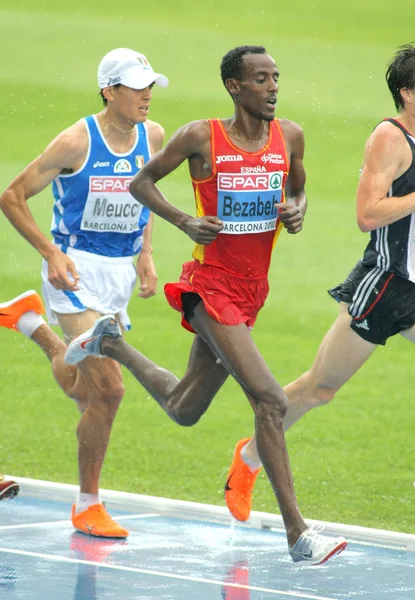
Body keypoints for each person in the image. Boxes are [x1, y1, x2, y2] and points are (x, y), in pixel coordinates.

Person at [64, 45, 347, 565]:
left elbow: (299, 189)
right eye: (260, 79)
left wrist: (296, 210)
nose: (273, 86)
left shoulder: (291, 136)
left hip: (251, 289)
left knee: (185, 409)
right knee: (270, 400)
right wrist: (183, 221)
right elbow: (140, 182)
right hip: (208, 285)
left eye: (276, 77)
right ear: (235, 87)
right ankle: (298, 535)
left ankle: (110, 343)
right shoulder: (201, 136)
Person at [224, 43, 415, 523]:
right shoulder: (390, 140)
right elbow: (367, 214)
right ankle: (248, 459)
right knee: (320, 388)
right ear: (408, 93)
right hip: (387, 287)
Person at [0, 48, 168, 537]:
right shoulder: (76, 141)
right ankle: (87, 505)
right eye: (137, 86)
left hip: (117, 275)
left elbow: (145, 194)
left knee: (84, 389)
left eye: (150, 84)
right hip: (75, 273)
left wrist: (145, 253)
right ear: (108, 90)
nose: (147, 94)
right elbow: (12, 196)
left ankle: (31, 322)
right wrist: (52, 254)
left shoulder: (152, 136)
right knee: (111, 390)